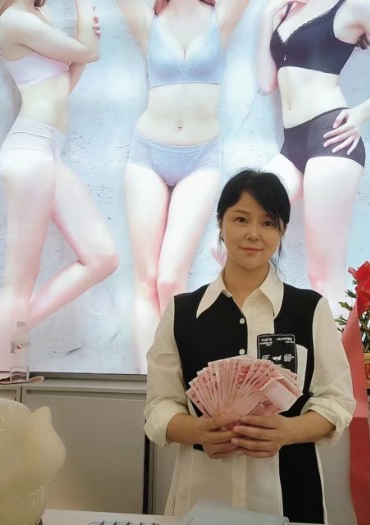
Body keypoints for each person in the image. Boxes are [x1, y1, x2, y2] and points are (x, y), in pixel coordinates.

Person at [144, 169, 355, 523]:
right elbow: (159, 406)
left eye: (268, 222)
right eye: (241, 219)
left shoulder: (309, 309)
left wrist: (288, 431)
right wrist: (197, 431)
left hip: (291, 495)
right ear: (220, 223)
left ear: (282, 230)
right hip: (202, 495)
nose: (254, 234)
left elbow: (337, 402)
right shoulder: (182, 312)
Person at [256, 0, 370, 311]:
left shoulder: (354, 6)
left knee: (322, 278)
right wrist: (268, 15)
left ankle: (334, 345)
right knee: (231, 230)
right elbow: (267, 82)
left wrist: (361, 113)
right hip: (292, 147)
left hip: (331, 139)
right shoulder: (287, 10)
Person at [114, 0, 252, 371]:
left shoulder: (221, 17)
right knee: (146, 281)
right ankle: (148, 385)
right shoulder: (148, 18)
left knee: (170, 278)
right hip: (147, 156)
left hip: (201, 159)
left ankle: (179, 381)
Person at [0, 0, 118, 368]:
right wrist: (83, 14)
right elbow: (87, 51)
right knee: (21, 278)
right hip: (29, 150)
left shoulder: (36, 15)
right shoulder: (14, 19)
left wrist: (80, 45)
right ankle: (1, 370)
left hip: (48, 151)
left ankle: (2, 334)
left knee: (102, 257)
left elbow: (65, 81)